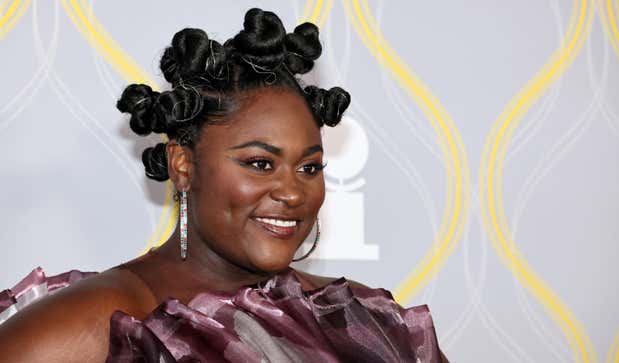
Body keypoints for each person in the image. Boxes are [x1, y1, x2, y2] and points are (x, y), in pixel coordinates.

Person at [0, 8, 447, 362]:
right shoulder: (103, 324)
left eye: (309, 168)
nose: (293, 193)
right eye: (259, 163)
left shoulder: (365, 320)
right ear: (183, 164)